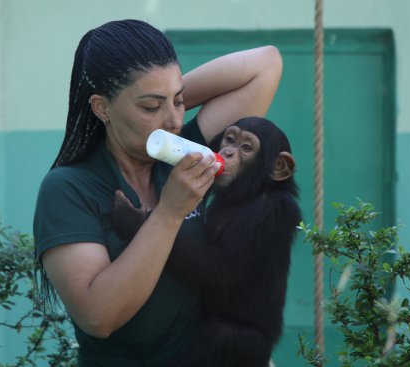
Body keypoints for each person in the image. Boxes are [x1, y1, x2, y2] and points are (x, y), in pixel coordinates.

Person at [33, 19, 282, 366]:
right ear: (102, 108)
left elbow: (265, 65)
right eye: (151, 108)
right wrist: (168, 213)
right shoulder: (69, 188)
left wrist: (160, 96)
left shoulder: (184, 154)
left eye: (179, 102)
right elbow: (99, 317)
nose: (175, 121)